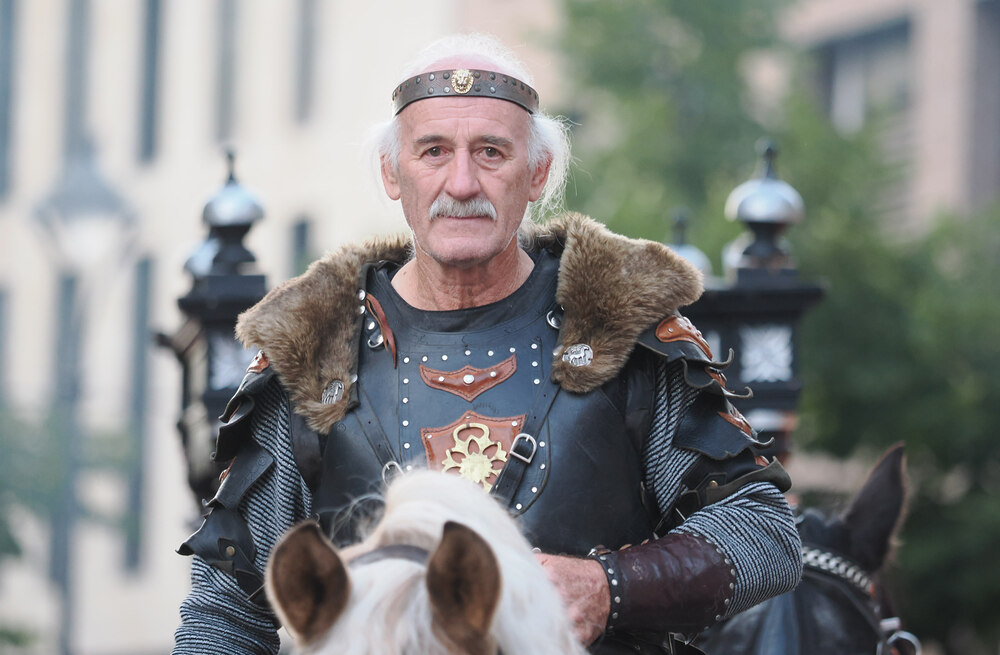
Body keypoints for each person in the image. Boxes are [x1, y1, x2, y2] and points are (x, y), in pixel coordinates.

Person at [173, 33, 801, 655]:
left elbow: (765, 536)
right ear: (394, 174)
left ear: (538, 173)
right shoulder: (312, 353)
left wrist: (608, 587)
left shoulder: (624, 330)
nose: (463, 182)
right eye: (434, 152)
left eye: (492, 152)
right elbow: (224, 611)